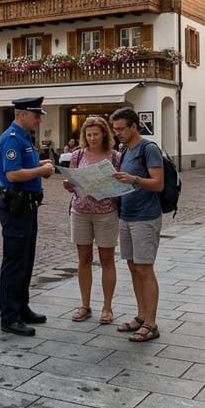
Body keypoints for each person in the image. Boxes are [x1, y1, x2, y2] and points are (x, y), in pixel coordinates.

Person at [0, 96, 54, 337]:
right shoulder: (11, 138)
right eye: (35, 115)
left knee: (26, 260)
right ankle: (9, 316)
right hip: (16, 205)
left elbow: (23, 167)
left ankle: (21, 307)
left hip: (28, 206)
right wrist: (41, 170)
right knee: (14, 262)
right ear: (22, 115)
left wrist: (39, 164)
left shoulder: (24, 138)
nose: (39, 120)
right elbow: (13, 174)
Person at [109, 106, 165, 343]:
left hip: (145, 216)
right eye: (115, 130)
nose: (117, 133)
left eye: (121, 129)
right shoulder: (125, 150)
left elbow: (158, 184)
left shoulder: (148, 149)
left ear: (134, 127)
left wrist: (134, 179)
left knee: (145, 268)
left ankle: (151, 323)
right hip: (127, 215)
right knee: (133, 267)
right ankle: (141, 316)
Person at [63, 116, 119, 326]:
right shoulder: (77, 155)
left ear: (104, 134)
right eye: (89, 134)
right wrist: (68, 185)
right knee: (83, 259)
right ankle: (85, 305)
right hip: (81, 212)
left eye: (96, 134)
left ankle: (107, 306)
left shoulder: (114, 156)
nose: (92, 138)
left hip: (106, 212)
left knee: (107, 260)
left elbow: (120, 181)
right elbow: (71, 181)